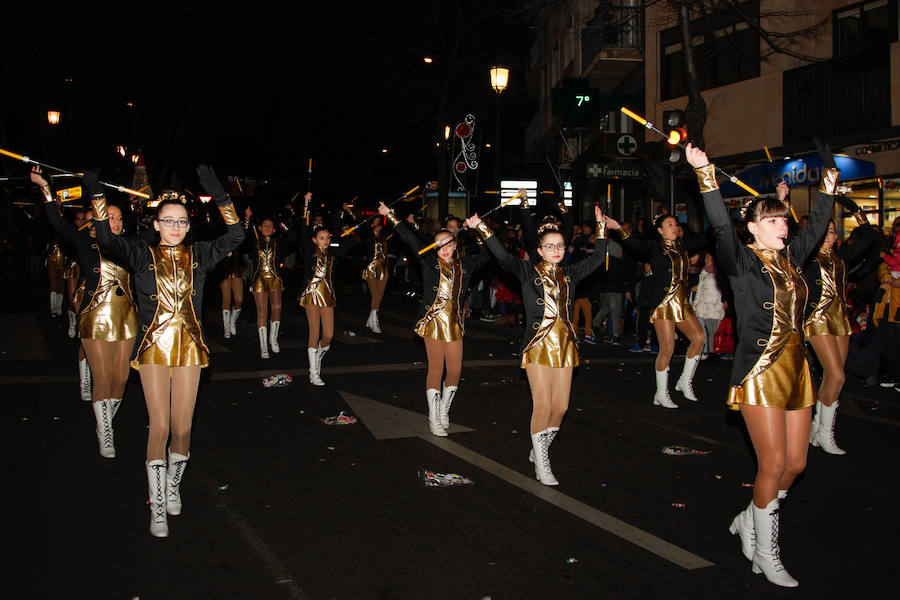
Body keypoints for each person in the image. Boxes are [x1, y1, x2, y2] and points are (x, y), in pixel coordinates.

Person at [687, 143, 836, 587]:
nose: (782, 226)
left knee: (796, 465)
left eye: (784, 219)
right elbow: (718, 225)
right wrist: (704, 174)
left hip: (797, 373)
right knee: (771, 465)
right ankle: (766, 553)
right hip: (759, 374)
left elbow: (821, 222)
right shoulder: (741, 262)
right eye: (771, 220)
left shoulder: (793, 261)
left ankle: (751, 518)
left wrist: (828, 179)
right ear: (752, 227)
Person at [90, 165, 244, 538]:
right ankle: (157, 505)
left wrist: (218, 194)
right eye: (169, 221)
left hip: (190, 350)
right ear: (156, 224)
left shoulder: (201, 256)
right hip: (153, 350)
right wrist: (96, 196)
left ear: (189, 226)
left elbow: (237, 234)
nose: (176, 227)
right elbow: (108, 242)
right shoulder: (142, 256)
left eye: (182, 222)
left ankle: (173, 484)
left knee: (183, 427)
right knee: (159, 425)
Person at [467, 205, 608, 486]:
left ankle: (539, 446)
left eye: (559, 245)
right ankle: (542, 460)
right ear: (539, 251)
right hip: (536, 346)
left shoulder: (571, 273)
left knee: (562, 407)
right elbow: (502, 256)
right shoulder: (527, 271)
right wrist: (481, 228)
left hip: (566, 347)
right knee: (542, 404)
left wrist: (601, 228)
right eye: (549, 246)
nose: (555, 250)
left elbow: (599, 259)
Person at [34, 167, 138, 459]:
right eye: (110, 217)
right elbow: (56, 220)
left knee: (120, 380)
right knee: (102, 379)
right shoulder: (85, 242)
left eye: (119, 218)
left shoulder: (132, 247)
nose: (115, 222)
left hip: (126, 321)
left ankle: (105, 418)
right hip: (95, 318)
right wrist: (45, 186)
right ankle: (105, 430)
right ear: (101, 217)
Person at [379, 202, 492, 436]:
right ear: (434, 247)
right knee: (436, 369)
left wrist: (479, 228)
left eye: (449, 243)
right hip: (432, 323)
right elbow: (409, 239)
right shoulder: (428, 264)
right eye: (440, 244)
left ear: (455, 244)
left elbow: (487, 254)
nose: (445, 248)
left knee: (455, 372)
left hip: (454, 325)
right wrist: (390, 215)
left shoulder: (465, 266)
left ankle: (444, 410)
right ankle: (433, 416)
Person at [605, 213, 707, 408]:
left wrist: (718, 215)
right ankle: (661, 393)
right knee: (667, 348)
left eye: (675, 224)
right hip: (663, 303)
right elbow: (635, 245)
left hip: (682, 303)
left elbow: (707, 237)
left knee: (699, 338)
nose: (674, 227)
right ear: (660, 230)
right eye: (669, 224)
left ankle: (685, 380)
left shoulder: (684, 246)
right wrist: (617, 227)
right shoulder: (655, 248)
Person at [804, 206, 878, 454]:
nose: (828, 235)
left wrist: (856, 211)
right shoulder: (806, 258)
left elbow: (869, 238)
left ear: (837, 236)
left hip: (840, 320)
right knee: (837, 376)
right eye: (824, 232)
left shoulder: (841, 257)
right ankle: (826, 434)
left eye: (833, 232)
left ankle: (817, 429)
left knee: (832, 377)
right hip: (816, 320)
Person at [298, 193, 358, 385]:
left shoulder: (335, 255)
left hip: (327, 296)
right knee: (314, 333)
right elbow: (302, 228)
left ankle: (318, 358)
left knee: (329, 335)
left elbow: (355, 238)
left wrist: (348, 216)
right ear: (314, 240)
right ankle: (313, 372)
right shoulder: (309, 251)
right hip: (310, 294)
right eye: (321, 238)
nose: (324, 240)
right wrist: (306, 203)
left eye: (327, 238)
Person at [244, 207, 296, 358]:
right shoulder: (254, 241)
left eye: (270, 226)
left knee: (277, 308)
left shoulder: (278, 243)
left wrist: (279, 221)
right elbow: (243, 235)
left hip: (274, 279)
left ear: (274, 230)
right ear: (259, 228)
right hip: (258, 279)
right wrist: (248, 218)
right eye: (264, 225)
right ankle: (263, 346)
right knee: (261, 311)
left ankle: (273, 339)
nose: (267, 228)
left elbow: (292, 237)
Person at [692, 252, 726, 360]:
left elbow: (723, 289)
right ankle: (706, 351)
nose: (706, 259)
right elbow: (700, 289)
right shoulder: (704, 271)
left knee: (713, 330)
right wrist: (696, 303)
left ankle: (713, 352)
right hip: (703, 304)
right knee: (703, 329)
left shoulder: (718, 271)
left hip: (714, 304)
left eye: (707, 258)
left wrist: (722, 302)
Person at [361, 214, 391, 333]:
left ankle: (370, 319)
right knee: (375, 294)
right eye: (376, 223)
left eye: (380, 223)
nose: (379, 225)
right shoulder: (368, 237)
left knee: (379, 296)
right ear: (372, 224)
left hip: (383, 267)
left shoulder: (384, 237)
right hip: (371, 267)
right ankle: (375, 322)